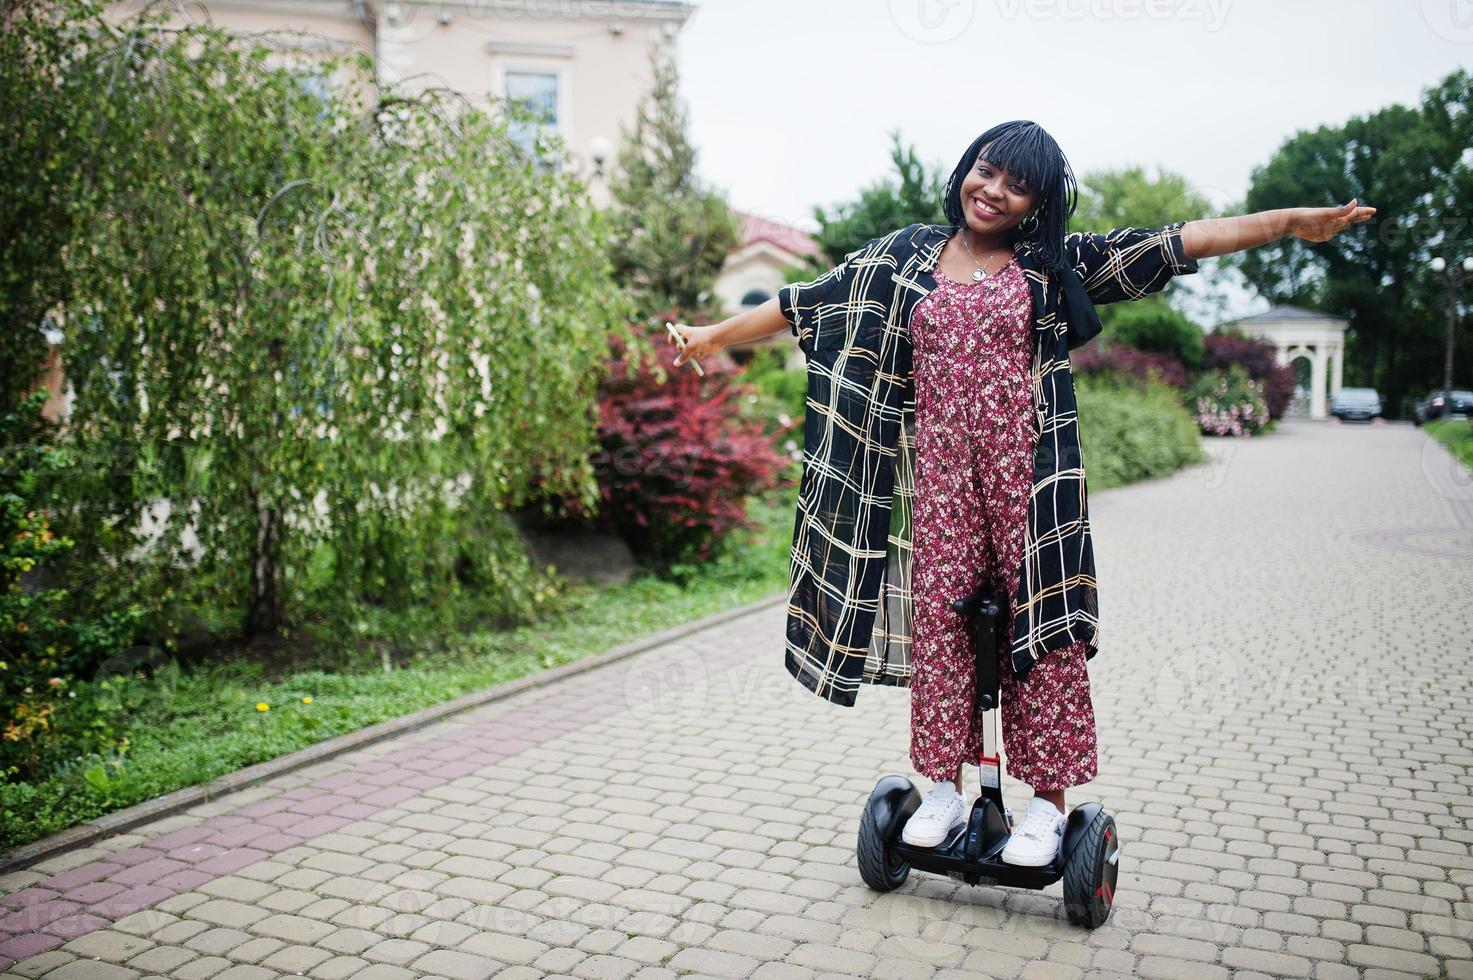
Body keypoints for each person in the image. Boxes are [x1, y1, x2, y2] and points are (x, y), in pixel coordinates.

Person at [668, 120, 1374, 866]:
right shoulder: (905, 256)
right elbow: (807, 301)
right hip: (940, 483)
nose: (993, 191)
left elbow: (1179, 241)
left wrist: (1290, 224)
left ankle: (1045, 806)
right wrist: (714, 335)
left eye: (1016, 185)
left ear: (1034, 203)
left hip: (1031, 485)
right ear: (966, 169)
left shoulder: (1052, 264)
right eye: (987, 170)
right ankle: (941, 786)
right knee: (942, 635)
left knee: (1042, 636)